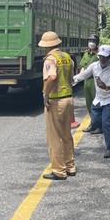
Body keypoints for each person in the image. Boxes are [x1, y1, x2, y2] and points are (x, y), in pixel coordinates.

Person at [72, 44, 110, 158]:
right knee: (95, 122)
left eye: (105, 57)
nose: (102, 59)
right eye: (100, 56)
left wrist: (107, 87)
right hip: (98, 98)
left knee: (105, 122)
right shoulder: (94, 66)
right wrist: (72, 79)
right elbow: (84, 75)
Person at [39, 31, 76, 180]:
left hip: (56, 101)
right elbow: (71, 79)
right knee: (67, 135)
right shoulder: (67, 58)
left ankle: (59, 171)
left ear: (46, 46)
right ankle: (70, 166)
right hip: (68, 99)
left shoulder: (50, 60)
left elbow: (52, 77)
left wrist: (45, 95)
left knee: (54, 137)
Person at [78, 33, 100, 131]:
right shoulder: (86, 54)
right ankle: (93, 124)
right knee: (89, 103)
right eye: (90, 41)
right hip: (86, 81)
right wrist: (79, 76)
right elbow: (82, 66)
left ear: (97, 43)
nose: (91, 43)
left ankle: (99, 125)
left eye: (93, 41)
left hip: (95, 81)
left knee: (97, 104)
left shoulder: (99, 55)